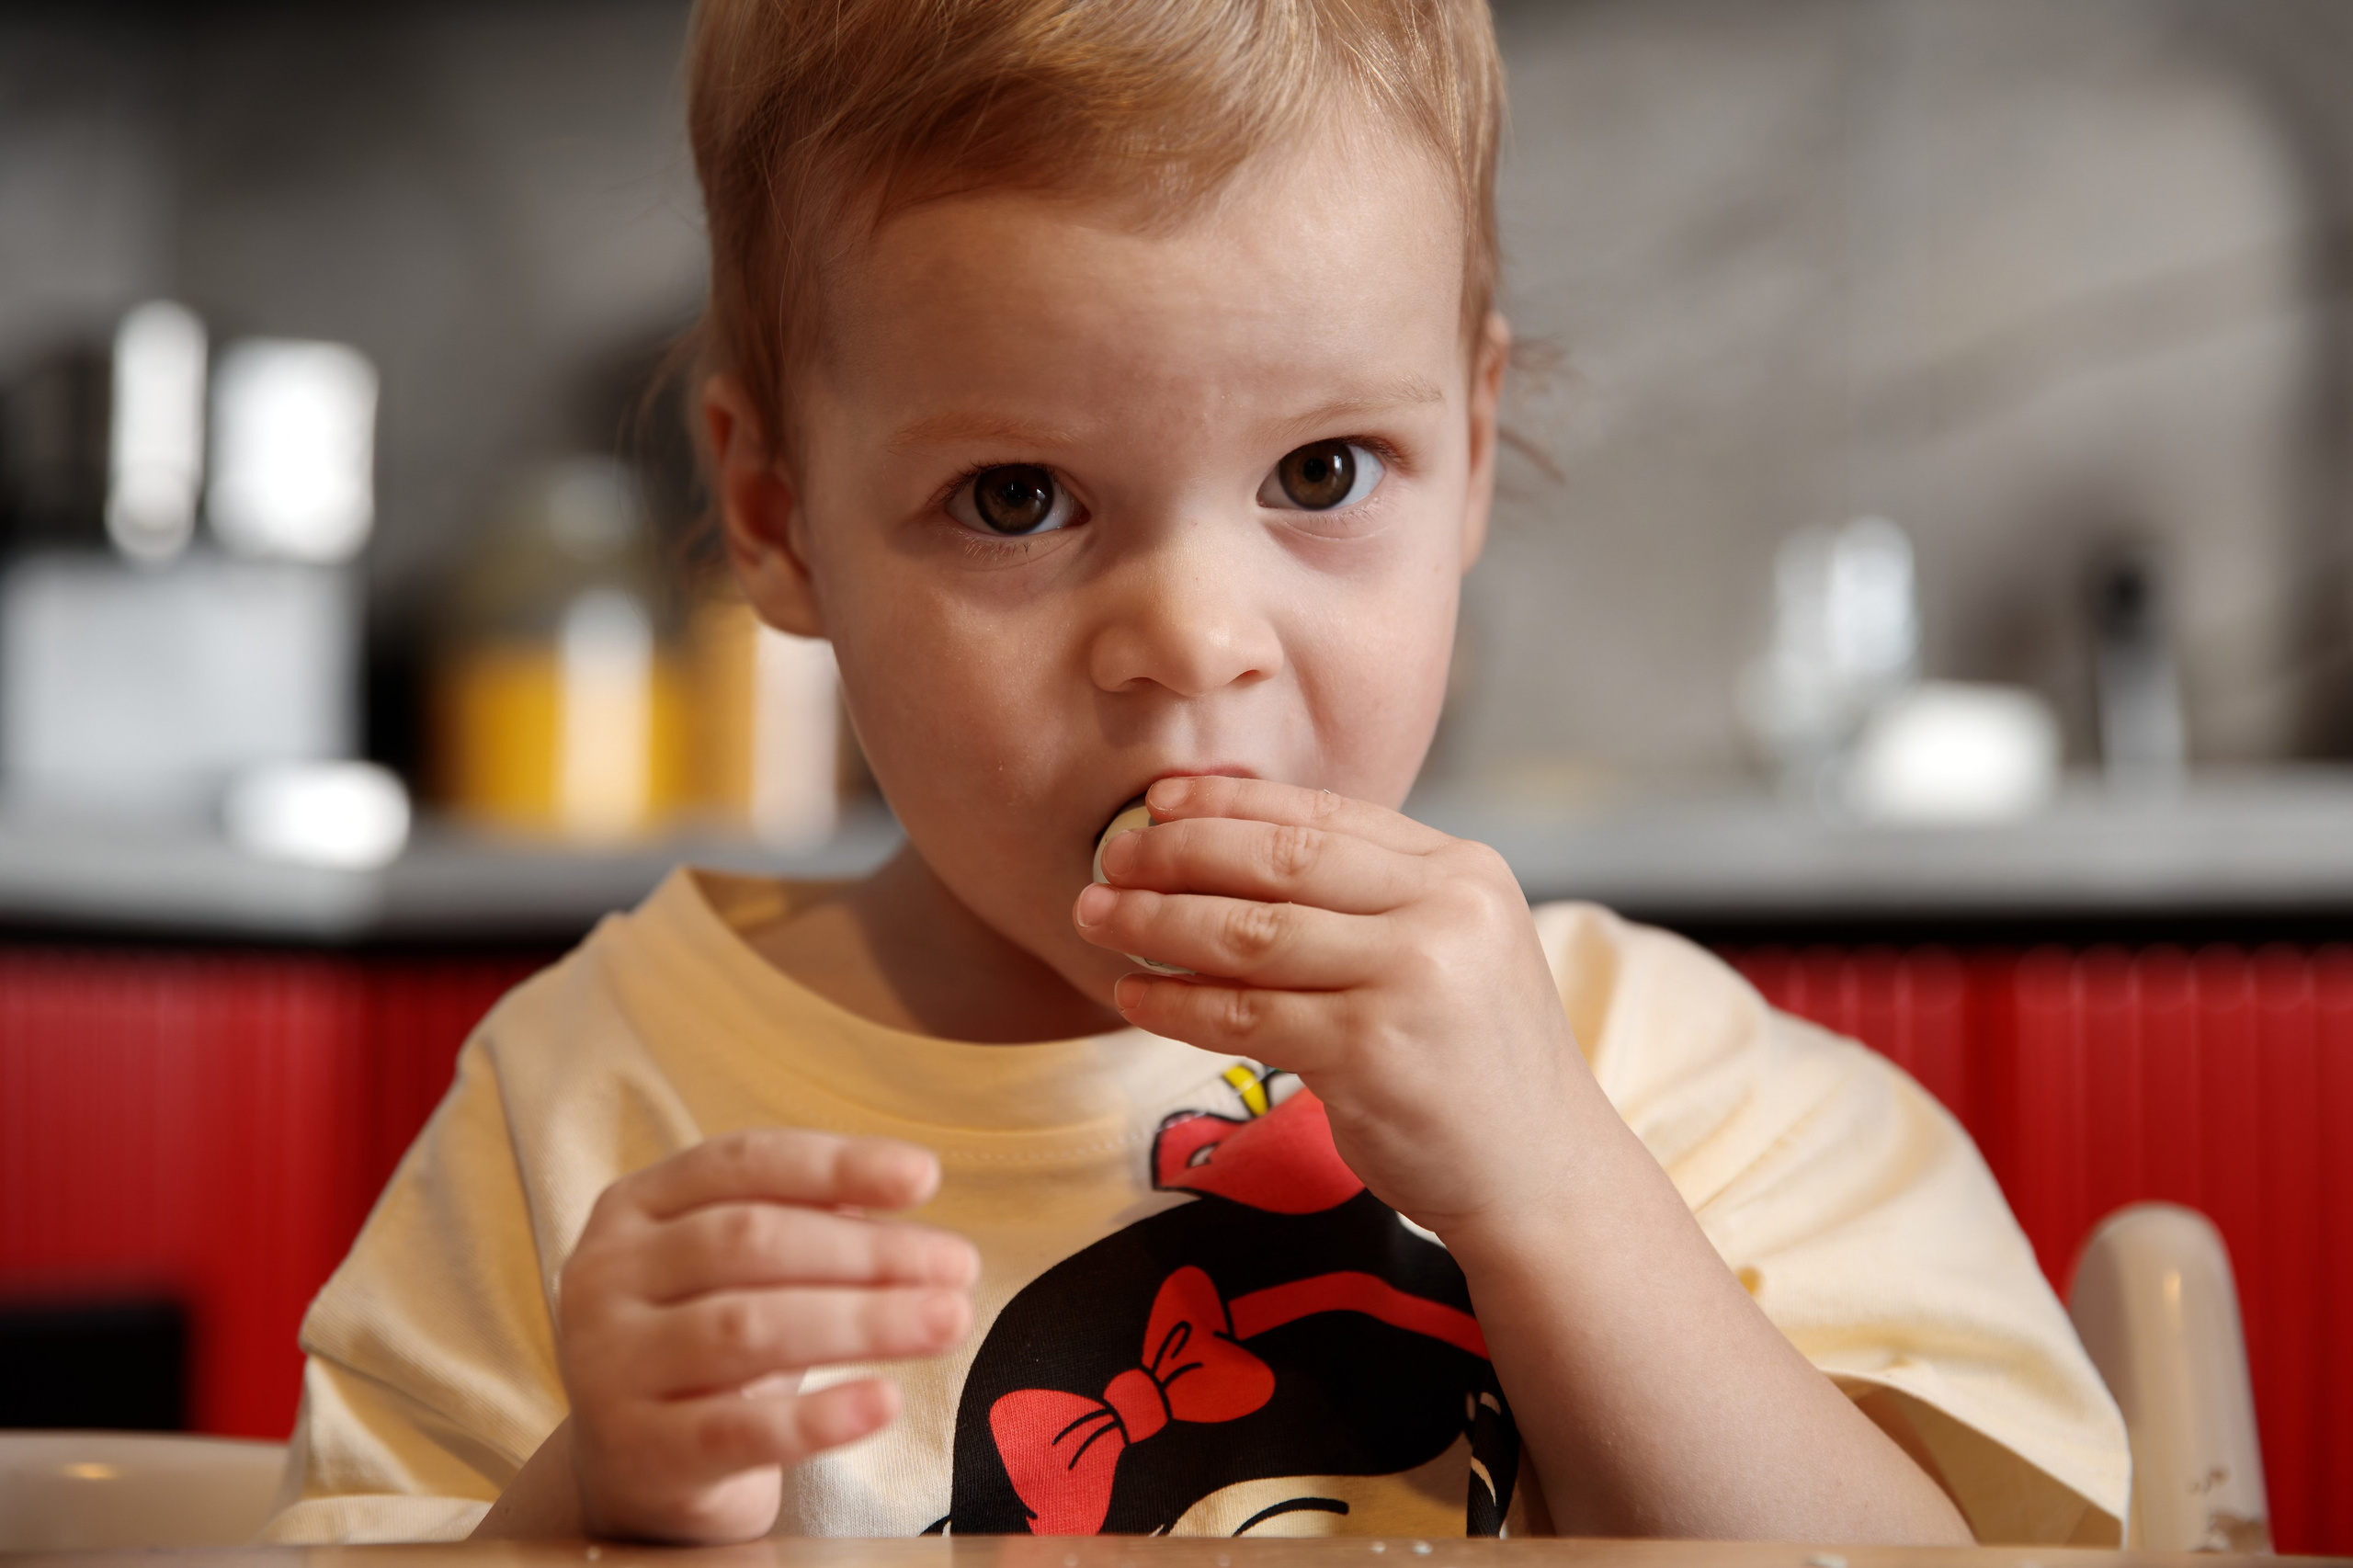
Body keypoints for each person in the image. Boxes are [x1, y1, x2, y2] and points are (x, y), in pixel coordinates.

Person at [261, 0, 2128, 1546]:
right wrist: (585, 1499)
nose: (1194, 638)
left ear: (1468, 446)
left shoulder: (1675, 1091)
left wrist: (1556, 1189)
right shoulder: (580, 1111)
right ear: (775, 515)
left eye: (1320, 473)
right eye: (1015, 499)